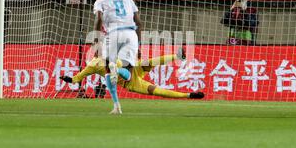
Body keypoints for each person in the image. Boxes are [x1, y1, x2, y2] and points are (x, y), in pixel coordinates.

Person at [60, 49, 204, 100]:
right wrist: (69, 79)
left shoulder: (112, 51)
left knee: (149, 62)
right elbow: (77, 78)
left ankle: (178, 56)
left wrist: (135, 54)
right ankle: (189, 95)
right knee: (157, 91)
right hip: (130, 82)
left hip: (134, 69)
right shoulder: (93, 65)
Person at [93, 0, 142, 114]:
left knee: (108, 70)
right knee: (129, 76)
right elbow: (138, 22)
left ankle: (116, 106)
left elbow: (98, 20)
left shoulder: (100, 1)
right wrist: (139, 45)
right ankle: (118, 70)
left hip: (112, 34)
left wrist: (97, 43)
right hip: (130, 34)